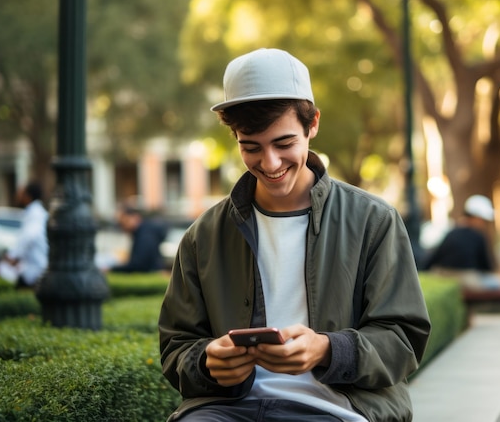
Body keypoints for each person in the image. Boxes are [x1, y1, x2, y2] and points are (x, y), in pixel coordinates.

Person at [158, 48, 431, 422]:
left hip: (337, 408)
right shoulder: (203, 235)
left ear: (312, 124)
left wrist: (328, 350)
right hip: (225, 410)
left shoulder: (373, 221)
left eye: (284, 144)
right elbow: (177, 345)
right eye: (250, 147)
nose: (269, 163)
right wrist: (207, 364)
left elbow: (404, 338)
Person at [421, 195, 498, 289]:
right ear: (476, 218)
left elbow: (435, 256)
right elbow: (486, 265)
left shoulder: (452, 233)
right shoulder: (478, 236)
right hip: (468, 279)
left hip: (444, 276)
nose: (484, 224)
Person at [0, 181, 49, 288]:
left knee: (3, 269)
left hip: (36, 269)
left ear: (28, 196)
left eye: (21, 193)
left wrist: (12, 256)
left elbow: (29, 237)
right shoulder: (35, 212)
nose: (18, 196)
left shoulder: (35, 214)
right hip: (34, 266)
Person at [109, 205, 168, 273]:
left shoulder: (145, 235)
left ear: (135, 217)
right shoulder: (143, 232)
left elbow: (138, 264)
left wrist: (113, 269)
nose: (123, 226)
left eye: (124, 222)